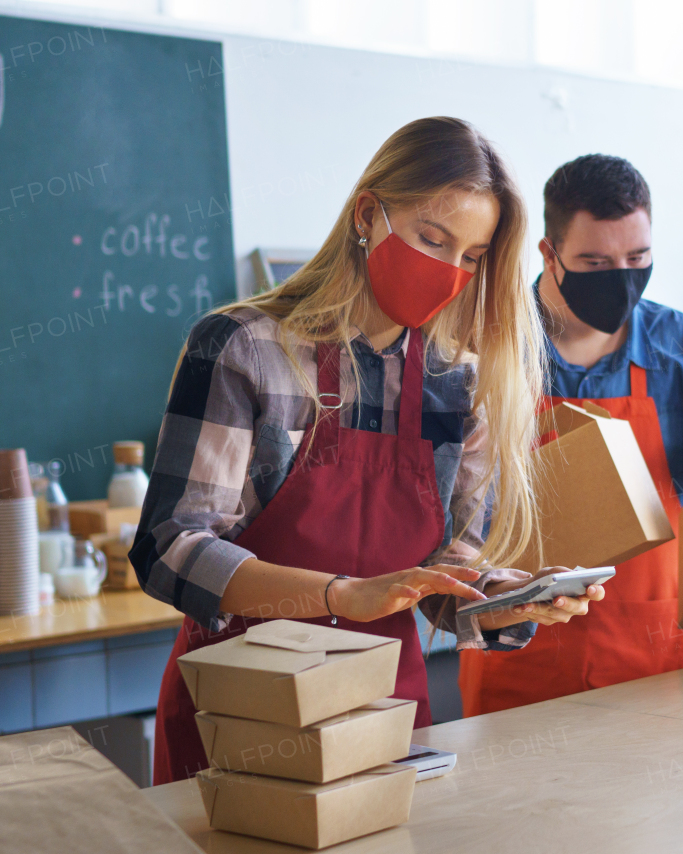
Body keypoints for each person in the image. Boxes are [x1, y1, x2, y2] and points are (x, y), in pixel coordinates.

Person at [133, 118, 604, 784]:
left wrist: (508, 597)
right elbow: (170, 546)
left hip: (382, 720)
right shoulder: (243, 348)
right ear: (367, 215)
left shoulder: (460, 384)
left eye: (471, 257)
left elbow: (444, 579)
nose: (449, 270)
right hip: (236, 713)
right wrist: (339, 595)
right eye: (432, 239)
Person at [458, 154, 683, 715]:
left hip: (654, 647)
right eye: (596, 262)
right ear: (549, 254)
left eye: (638, 257)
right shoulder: (489, 340)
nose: (621, 278)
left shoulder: (675, 343)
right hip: (520, 646)